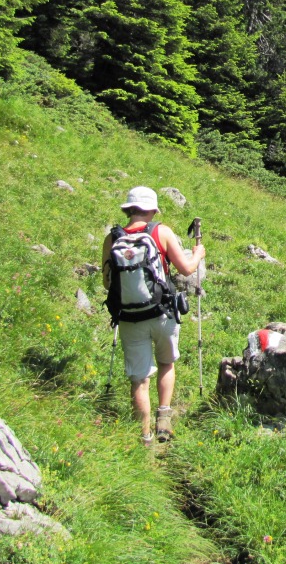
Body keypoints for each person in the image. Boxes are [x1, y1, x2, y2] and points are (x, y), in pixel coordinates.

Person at [102, 186, 205, 445]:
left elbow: (107, 283)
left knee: (139, 379)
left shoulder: (112, 238)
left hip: (129, 318)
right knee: (166, 363)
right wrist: (198, 254)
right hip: (162, 313)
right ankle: (164, 420)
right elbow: (186, 270)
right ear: (153, 209)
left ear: (129, 208)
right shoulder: (161, 232)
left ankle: (144, 437)